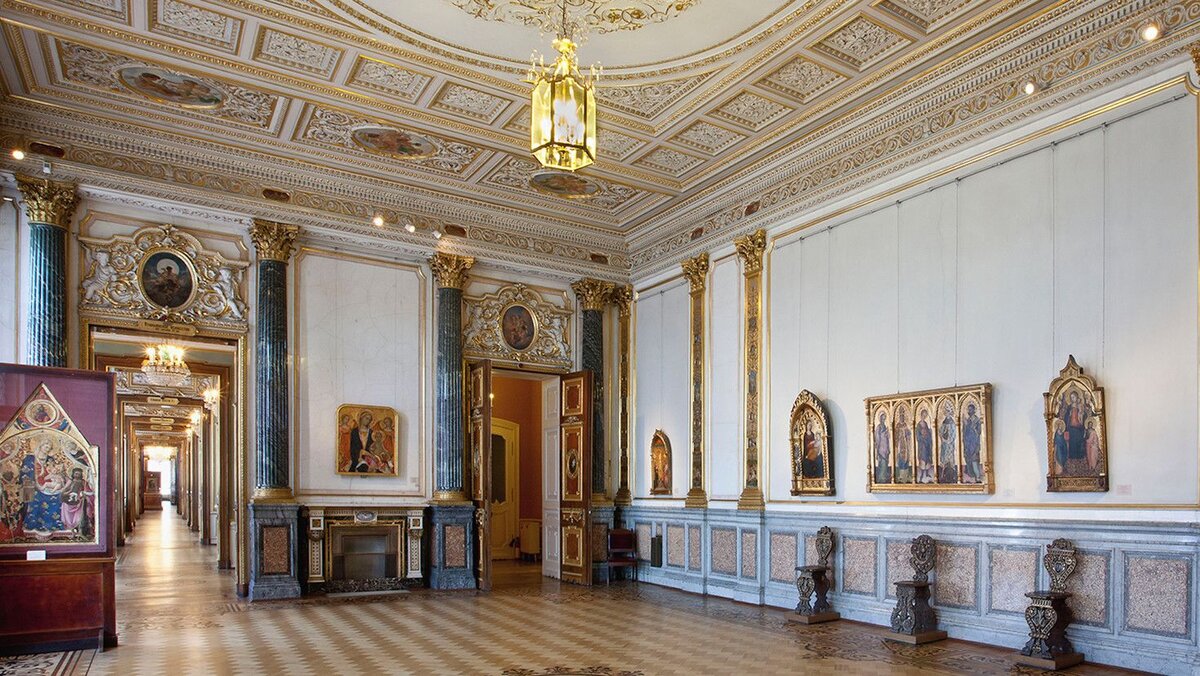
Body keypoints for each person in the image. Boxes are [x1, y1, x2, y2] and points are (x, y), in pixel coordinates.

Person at [961, 403, 982, 483]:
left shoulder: (977, 420)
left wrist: (972, 427)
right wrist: (965, 424)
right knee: (968, 459)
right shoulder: (968, 420)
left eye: (970, 410)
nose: (969, 411)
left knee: (974, 460)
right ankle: (971, 475)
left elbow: (979, 432)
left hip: (974, 443)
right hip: (968, 443)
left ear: (974, 410)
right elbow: (965, 432)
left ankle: (978, 477)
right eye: (968, 410)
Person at [937, 403, 958, 483]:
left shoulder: (952, 422)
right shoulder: (944, 421)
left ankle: (954, 476)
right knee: (943, 459)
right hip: (944, 444)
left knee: (951, 458)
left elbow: (954, 433)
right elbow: (940, 431)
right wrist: (943, 438)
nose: (947, 413)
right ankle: (941, 476)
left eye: (948, 411)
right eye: (946, 412)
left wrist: (950, 440)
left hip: (950, 444)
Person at [894, 407, 912, 483]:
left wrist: (908, 433)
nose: (902, 418)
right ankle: (901, 476)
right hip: (900, 444)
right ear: (899, 417)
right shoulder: (897, 425)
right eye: (901, 417)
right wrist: (899, 436)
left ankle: (906, 476)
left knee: (906, 458)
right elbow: (895, 435)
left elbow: (908, 434)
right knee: (900, 458)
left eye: (903, 417)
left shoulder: (905, 424)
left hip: (905, 444)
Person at [916, 408, 934, 483]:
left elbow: (928, 433)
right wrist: (922, 436)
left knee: (927, 458)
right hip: (922, 445)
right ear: (921, 415)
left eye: (925, 416)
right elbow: (917, 436)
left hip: (926, 443)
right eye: (923, 415)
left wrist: (929, 432)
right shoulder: (918, 425)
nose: (924, 417)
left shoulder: (926, 423)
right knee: (923, 458)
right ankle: (921, 475)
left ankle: (926, 473)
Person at [873, 411, 891, 483]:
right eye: (882, 419)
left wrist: (887, 434)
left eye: (884, 419)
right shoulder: (879, 427)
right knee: (882, 462)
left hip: (885, 447)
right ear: (880, 419)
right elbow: (877, 438)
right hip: (881, 448)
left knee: (885, 463)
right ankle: (881, 477)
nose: (883, 420)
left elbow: (888, 438)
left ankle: (885, 476)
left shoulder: (885, 426)